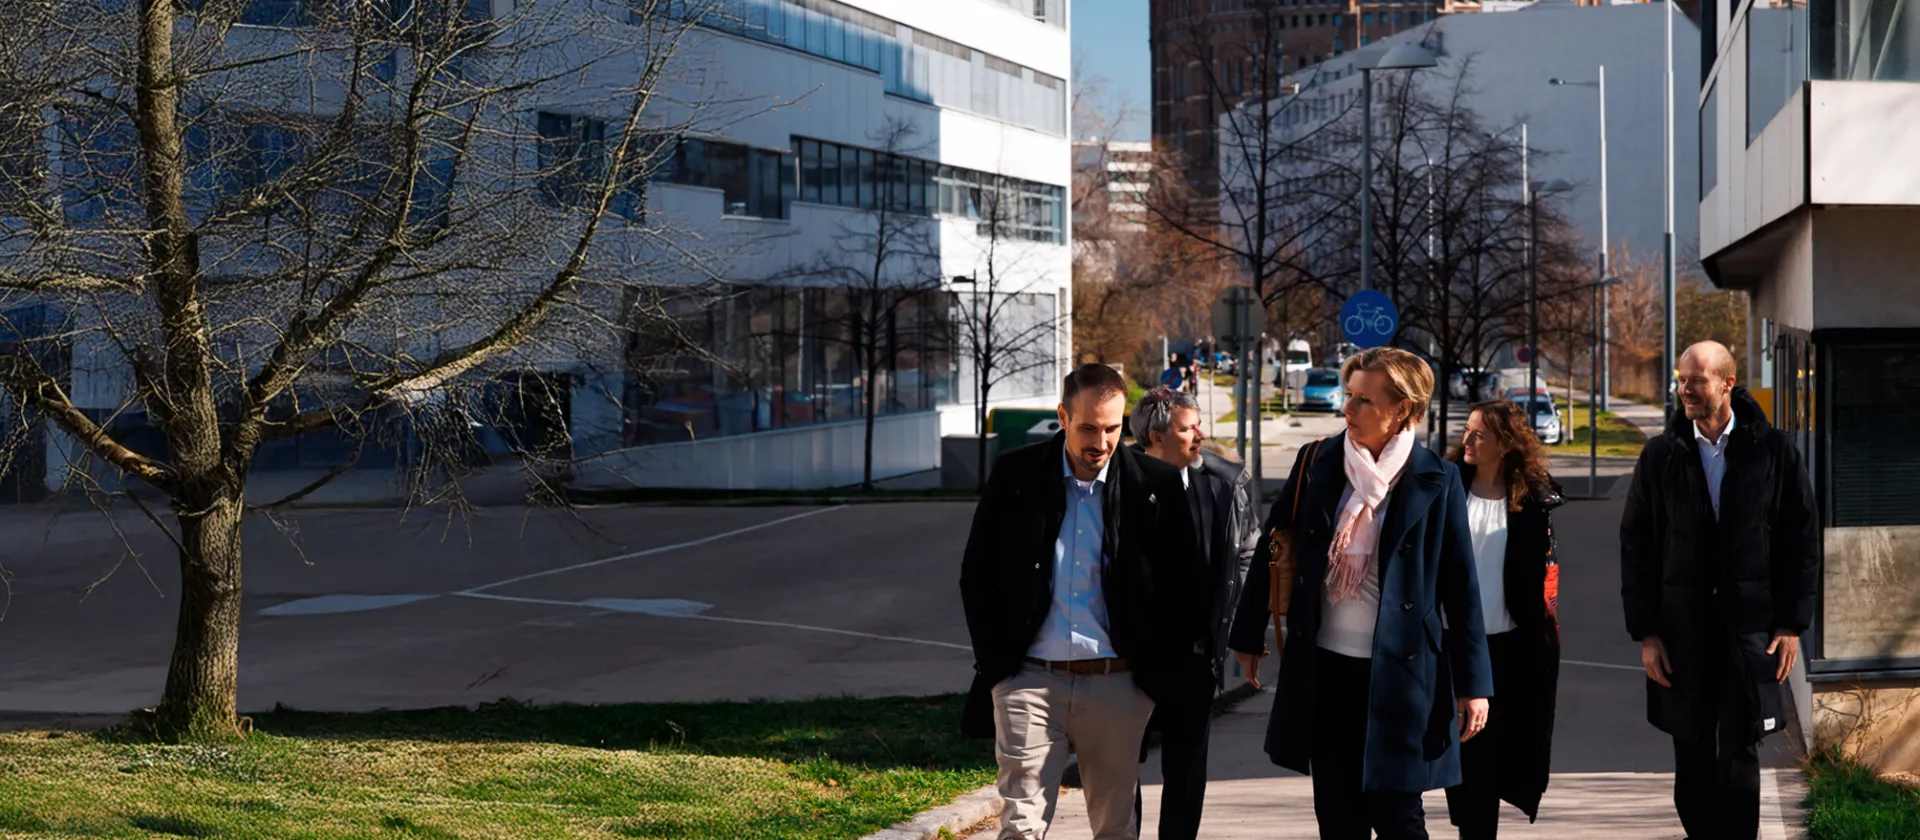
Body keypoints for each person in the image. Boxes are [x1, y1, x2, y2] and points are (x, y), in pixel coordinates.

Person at [1229, 346, 1494, 840]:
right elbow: (1274, 543)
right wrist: (1249, 634)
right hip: (1325, 670)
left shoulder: (1439, 478)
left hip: (1403, 676)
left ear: (1403, 412)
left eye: (1365, 401)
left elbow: (1461, 587)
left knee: (1400, 819)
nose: (1348, 410)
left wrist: (1473, 684)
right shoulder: (1318, 463)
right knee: (1338, 818)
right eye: (1350, 397)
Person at [959, 363, 1204, 840]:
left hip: (1119, 684)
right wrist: (998, 669)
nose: (1101, 440)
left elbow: (1184, 588)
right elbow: (977, 573)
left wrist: (1149, 684)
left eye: (1112, 428)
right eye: (1088, 427)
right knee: (1021, 825)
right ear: (1063, 418)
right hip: (1028, 678)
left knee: (1115, 827)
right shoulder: (1015, 474)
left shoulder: (1156, 485)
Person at [1620, 341, 1819, 840]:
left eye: (1697, 379)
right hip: (1681, 632)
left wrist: (1791, 624)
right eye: (1681, 379)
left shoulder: (1772, 451)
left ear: (1728, 383)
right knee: (1690, 751)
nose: (1685, 388)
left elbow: (1801, 540)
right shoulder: (1662, 454)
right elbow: (1637, 545)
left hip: (1748, 631)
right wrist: (1646, 633)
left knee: (1739, 750)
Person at [1128, 387, 1260, 840]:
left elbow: (1248, 552)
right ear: (1156, 436)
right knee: (1125, 767)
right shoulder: (1121, 482)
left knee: (1186, 770)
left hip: (1197, 656)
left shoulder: (1223, 482)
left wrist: (1236, 617)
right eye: (1188, 428)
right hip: (1132, 658)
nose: (1200, 435)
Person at [1444, 400, 1566, 839]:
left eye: (1479, 434)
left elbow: (1543, 585)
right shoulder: (1446, 485)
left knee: (1487, 764)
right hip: (1450, 644)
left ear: (1505, 443)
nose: (1468, 441)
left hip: (1508, 649)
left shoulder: (1531, 501)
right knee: (1459, 763)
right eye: (1468, 431)